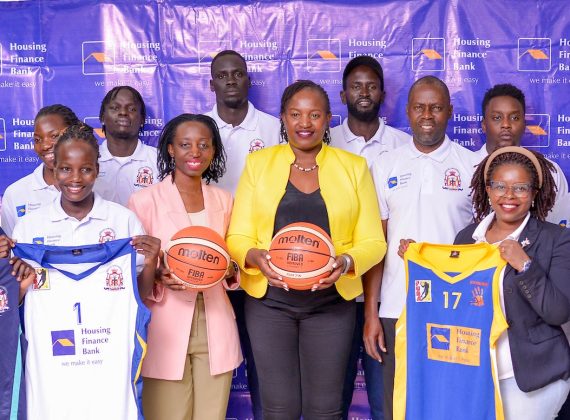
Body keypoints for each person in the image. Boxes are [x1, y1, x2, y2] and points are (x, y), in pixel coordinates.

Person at [227, 80, 386, 419]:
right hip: (269, 305)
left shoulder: (353, 167)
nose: (304, 123)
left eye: (314, 115)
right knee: (278, 409)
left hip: (331, 305)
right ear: (283, 118)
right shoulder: (258, 164)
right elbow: (238, 236)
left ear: (328, 119)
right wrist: (255, 257)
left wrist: (346, 262)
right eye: (295, 114)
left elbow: (374, 242)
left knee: (325, 410)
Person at [4, 124, 160, 419]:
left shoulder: (123, 221)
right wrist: (20, 286)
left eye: (85, 169)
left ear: (97, 170)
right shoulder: (29, 228)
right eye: (66, 169)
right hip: (50, 372)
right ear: (54, 169)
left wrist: (151, 263)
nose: (75, 179)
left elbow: (138, 297)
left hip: (108, 370)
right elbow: (14, 306)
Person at [366, 76, 479, 420]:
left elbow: (483, 246)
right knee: (396, 405)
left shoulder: (472, 166)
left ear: (450, 112)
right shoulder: (386, 164)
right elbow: (376, 248)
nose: (427, 115)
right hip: (397, 307)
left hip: (454, 308)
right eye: (419, 107)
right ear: (408, 111)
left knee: (449, 405)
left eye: (436, 107)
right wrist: (371, 313)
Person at [127, 114, 242, 420]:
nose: (195, 152)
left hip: (214, 320)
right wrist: (157, 273)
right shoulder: (143, 201)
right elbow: (130, 270)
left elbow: (235, 261)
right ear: (170, 149)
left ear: (213, 150)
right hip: (164, 322)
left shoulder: (224, 200)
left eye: (204, 145)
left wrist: (228, 268)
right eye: (185, 144)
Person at [454, 146, 570, 419]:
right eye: (500, 186)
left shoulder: (556, 239)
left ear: (534, 193)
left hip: (532, 377)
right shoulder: (467, 238)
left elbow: (558, 312)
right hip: (475, 374)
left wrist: (525, 265)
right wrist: (421, 260)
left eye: (520, 188)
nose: (509, 195)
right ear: (488, 190)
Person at [331, 55, 408, 420]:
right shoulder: (324, 142)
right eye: (356, 86)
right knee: (333, 394)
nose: (364, 92)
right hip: (335, 289)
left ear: (383, 94)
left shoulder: (403, 146)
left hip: (388, 293)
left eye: (372, 86)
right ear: (343, 95)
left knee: (385, 397)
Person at [206, 49, 280, 418]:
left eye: (238, 73)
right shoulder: (198, 130)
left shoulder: (272, 128)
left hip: (261, 263)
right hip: (208, 264)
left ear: (249, 79)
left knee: (265, 361)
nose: (231, 80)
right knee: (208, 358)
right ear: (211, 84)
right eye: (222, 75)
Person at [476, 83, 568, 213]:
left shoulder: (550, 172)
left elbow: (561, 221)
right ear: (484, 125)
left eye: (514, 117)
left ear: (524, 124)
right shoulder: (464, 167)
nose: (506, 124)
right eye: (497, 118)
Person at [1, 104, 81, 236]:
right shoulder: (15, 194)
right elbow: (12, 245)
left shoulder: (94, 186)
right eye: (37, 139)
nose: (44, 146)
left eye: (54, 136)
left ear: (75, 134)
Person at [94, 85, 159, 206]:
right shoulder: (89, 159)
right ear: (102, 117)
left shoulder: (160, 161)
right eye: (115, 108)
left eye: (132, 109)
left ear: (142, 120)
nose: (123, 112)